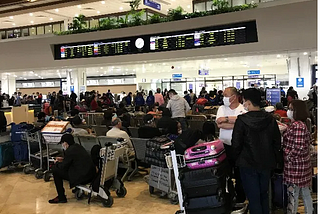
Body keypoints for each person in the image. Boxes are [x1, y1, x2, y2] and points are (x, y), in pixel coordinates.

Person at [231, 88, 281, 214]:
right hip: (266, 163)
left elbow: (236, 144)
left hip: (247, 164)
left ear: (247, 102)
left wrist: (236, 160)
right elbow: (277, 142)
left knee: (253, 198)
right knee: (264, 195)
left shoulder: (241, 121)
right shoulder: (270, 119)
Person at [216, 87, 246, 203]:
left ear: (234, 97)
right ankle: (227, 197)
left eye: (226, 95)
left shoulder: (243, 108)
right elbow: (219, 123)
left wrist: (227, 120)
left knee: (240, 174)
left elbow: (244, 123)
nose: (224, 98)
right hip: (224, 146)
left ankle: (240, 198)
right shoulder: (222, 108)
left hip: (239, 147)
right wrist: (238, 123)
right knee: (225, 173)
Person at [283, 100, 313, 214]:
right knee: (305, 193)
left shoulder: (297, 126)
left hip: (295, 168)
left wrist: (288, 157)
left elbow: (298, 147)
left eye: (291, 109)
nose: (288, 111)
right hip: (302, 166)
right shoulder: (301, 124)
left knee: (293, 196)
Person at [48, 134, 96, 204]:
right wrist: (63, 160)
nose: (62, 145)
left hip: (82, 177)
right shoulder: (78, 147)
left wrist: (56, 163)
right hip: (90, 174)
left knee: (55, 170)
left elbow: (63, 167)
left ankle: (61, 197)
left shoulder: (69, 151)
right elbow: (74, 160)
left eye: (62, 143)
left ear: (65, 143)